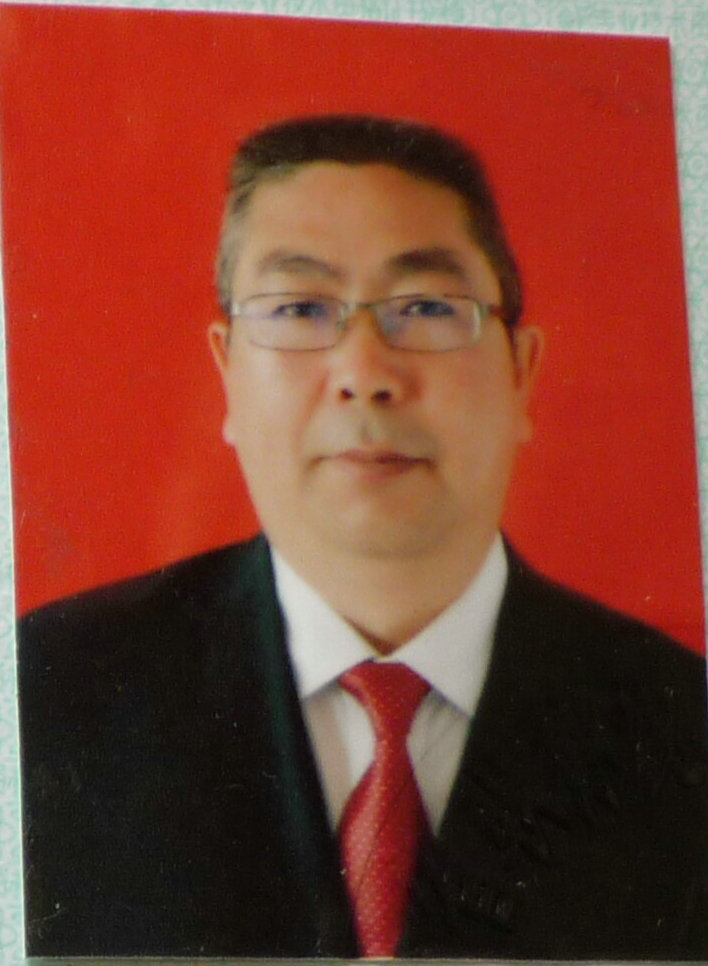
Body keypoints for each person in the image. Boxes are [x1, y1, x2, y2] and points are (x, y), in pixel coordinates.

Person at [18, 115, 708, 960]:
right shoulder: (51, 697)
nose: (365, 372)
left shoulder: (681, 724)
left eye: (426, 307)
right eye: (300, 308)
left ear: (522, 373)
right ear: (227, 374)